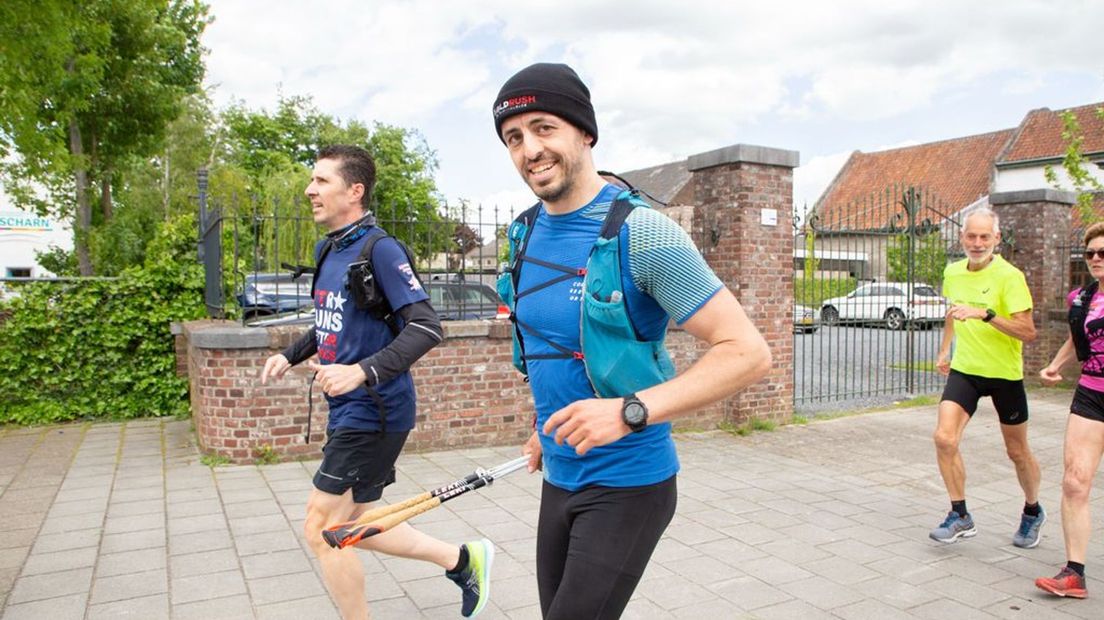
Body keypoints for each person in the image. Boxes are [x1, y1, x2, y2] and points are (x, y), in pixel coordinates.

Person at [491, 63, 772, 619]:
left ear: (584, 132)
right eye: (514, 138)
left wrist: (630, 411)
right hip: (560, 472)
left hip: (629, 482)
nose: (530, 150)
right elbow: (550, 347)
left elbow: (747, 353)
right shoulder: (523, 234)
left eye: (544, 128)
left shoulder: (642, 233)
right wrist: (539, 428)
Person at [260, 145, 492, 619]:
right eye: (312, 180)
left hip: (376, 409)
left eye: (322, 181)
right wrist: (291, 354)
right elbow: (331, 321)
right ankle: (461, 560)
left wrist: (361, 371)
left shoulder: (380, 249)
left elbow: (427, 327)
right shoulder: (330, 249)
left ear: (355, 190)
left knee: (323, 528)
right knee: (360, 519)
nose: (310, 189)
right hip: (349, 408)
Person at [930, 208, 1043, 547]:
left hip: (1004, 375)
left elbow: (1028, 332)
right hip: (966, 370)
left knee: (1017, 451)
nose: (977, 243)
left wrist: (986, 314)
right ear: (962, 237)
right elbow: (954, 312)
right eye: (971, 236)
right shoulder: (953, 272)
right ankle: (960, 515)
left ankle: (1033, 510)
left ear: (997, 239)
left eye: (984, 237)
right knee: (944, 438)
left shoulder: (1010, 277)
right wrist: (945, 349)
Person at [1034, 222, 1104, 599]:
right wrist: (1056, 364)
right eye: (1090, 253)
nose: (1095, 259)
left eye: (1103, 253)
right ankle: (1074, 573)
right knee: (1075, 482)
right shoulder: (1082, 298)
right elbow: (1079, 338)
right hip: (1091, 394)